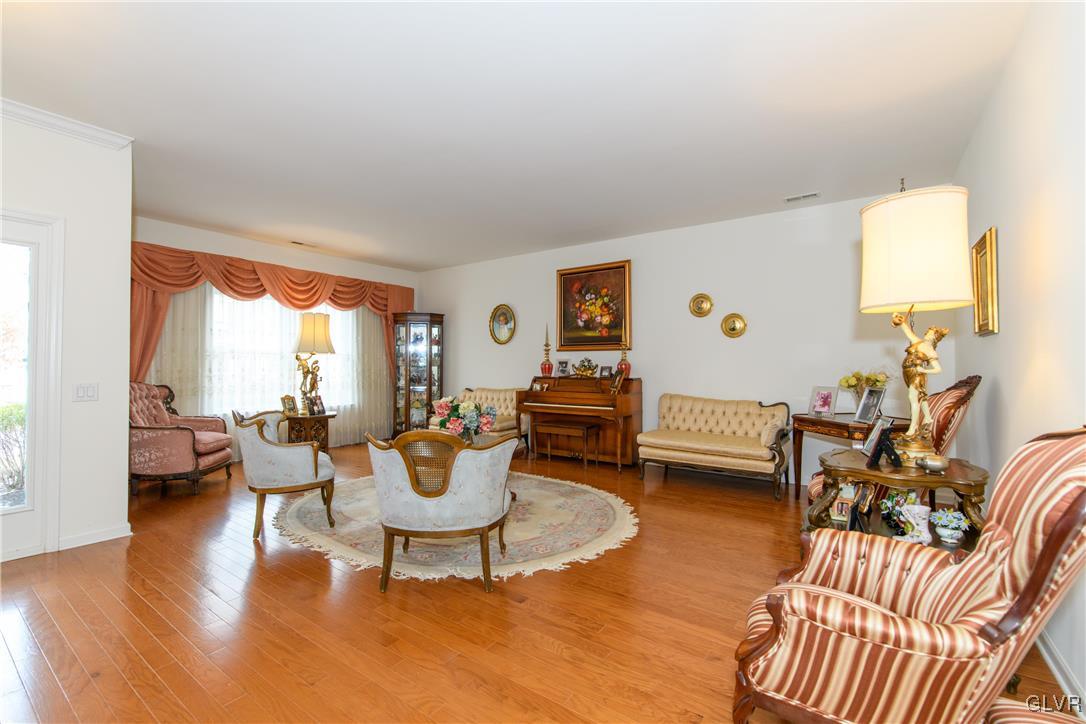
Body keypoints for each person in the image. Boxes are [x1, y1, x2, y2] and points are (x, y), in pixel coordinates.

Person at [892, 310, 948, 443]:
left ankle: (913, 427)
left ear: (935, 337)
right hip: (908, 372)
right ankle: (927, 417)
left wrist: (923, 370)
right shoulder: (918, 342)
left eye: (930, 333)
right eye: (927, 332)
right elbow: (908, 332)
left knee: (913, 398)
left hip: (917, 374)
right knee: (920, 396)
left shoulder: (930, 351)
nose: (927, 334)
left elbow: (938, 369)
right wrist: (901, 321)